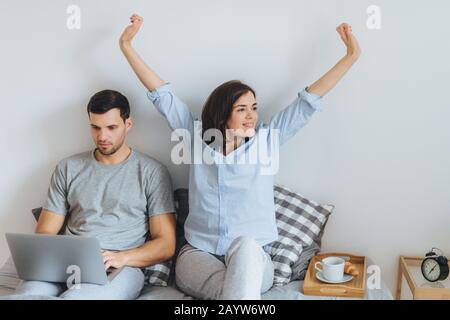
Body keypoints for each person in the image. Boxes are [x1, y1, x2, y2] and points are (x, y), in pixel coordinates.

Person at [119, 14, 360, 299]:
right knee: (235, 290)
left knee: (244, 249)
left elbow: (308, 101)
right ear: (223, 114)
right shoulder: (195, 137)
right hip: (199, 254)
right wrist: (127, 46)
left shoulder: (268, 140)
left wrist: (351, 56)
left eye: (254, 108)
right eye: (242, 109)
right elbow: (161, 94)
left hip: (254, 258)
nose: (252, 116)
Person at [13, 89, 176, 299]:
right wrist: (65, 256)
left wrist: (122, 258)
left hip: (121, 267)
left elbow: (165, 244)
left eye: (111, 127)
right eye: (95, 127)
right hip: (66, 261)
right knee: (29, 295)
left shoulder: (152, 172)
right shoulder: (67, 168)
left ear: (128, 124)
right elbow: (45, 232)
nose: (102, 136)